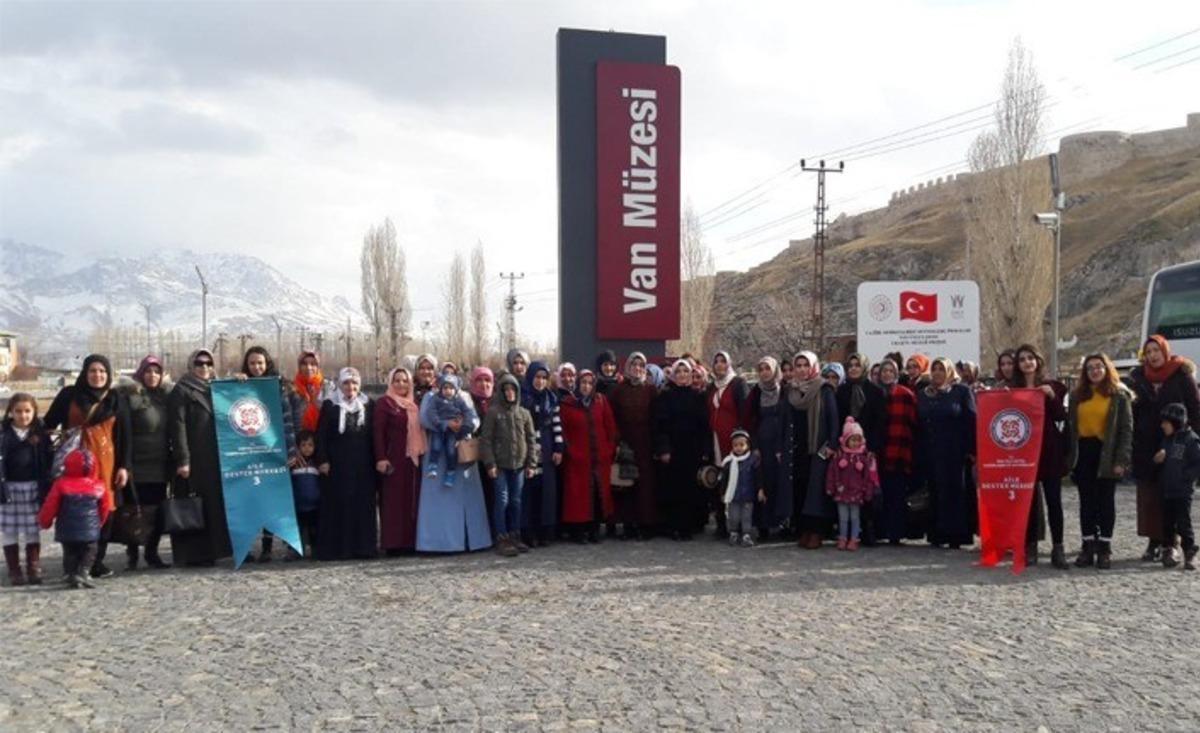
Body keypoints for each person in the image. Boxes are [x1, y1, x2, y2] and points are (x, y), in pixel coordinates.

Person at [44, 353, 131, 578]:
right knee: (72, 511)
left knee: (105, 511)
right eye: (92, 370)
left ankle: (95, 561)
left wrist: (124, 466)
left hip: (106, 465)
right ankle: (73, 563)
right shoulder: (69, 395)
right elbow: (48, 423)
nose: (97, 375)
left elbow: (125, 436)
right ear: (85, 373)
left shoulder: (116, 398)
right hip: (74, 465)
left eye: (102, 371)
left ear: (108, 374)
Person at [1130, 335, 1200, 562]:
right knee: (1150, 497)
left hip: (1176, 444)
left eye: (1156, 350)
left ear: (1165, 351)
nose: (1152, 355)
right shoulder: (1138, 377)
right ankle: (1154, 541)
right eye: (1148, 352)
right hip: (1146, 445)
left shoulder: (1181, 375)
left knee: (1173, 496)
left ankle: (1173, 543)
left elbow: (1195, 409)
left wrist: (1192, 441)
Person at [416, 365, 491, 553]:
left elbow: (474, 419)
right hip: (438, 451)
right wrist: (445, 424)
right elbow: (424, 418)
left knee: (467, 500)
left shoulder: (464, 396)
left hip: (460, 447)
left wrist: (463, 426)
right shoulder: (431, 396)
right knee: (439, 500)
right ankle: (438, 542)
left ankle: (470, 539)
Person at [1067, 354, 1132, 570]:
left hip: (1107, 452)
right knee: (1086, 502)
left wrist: (1121, 460)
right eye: (1090, 368)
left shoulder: (1119, 395)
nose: (1095, 371)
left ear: (1107, 369)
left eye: (1099, 367)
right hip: (1084, 452)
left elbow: (1126, 430)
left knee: (1105, 501)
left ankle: (1104, 547)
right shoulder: (1077, 395)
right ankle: (1087, 545)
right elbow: (1071, 428)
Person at [167, 349, 232, 566]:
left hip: (216, 457)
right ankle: (196, 554)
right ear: (191, 366)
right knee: (196, 505)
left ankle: (219, 550)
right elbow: (178, 427)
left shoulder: (217, 388)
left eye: (208, 363)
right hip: (195, 458)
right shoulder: (182, 390)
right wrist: (183, 460)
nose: (204, 367)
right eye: (199, 363)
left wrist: (240, 381)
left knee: (215, 506)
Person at [1012, 344, 1069, 569]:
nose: (1027, 362)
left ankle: (1058, 547)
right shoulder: (1013, 389)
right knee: (1028, 503)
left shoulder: (1053, 386)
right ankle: (1030, 546)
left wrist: (1052, 397)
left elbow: (1061, 416)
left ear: (1037, 361)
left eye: (1030, 358)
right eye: (1022, 359)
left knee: (1054, 501)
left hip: (1049, 450)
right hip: (1024, 454)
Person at [240, 346, 298, 563]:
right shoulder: (241, 385)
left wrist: (291, 450)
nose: (256, 367)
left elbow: (287, 420)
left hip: (274, 451)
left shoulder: (279, 386)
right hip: (250, 453)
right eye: (252, 363)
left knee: (273, 502)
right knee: (252, 501)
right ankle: (246, 546)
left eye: (260, 363)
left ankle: (268, 547)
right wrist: (236, 383)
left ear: (267, 364)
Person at [315, 368, 377, 561]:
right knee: (338, 504)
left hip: (363, 464)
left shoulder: (368, 404)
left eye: (354, 383)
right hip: (337, 464)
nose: (351, 387)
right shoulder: (330, 405)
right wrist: (322, 460)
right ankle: (338, 548)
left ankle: (363, 547)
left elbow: (374, 435)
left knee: (362, 505)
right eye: (346, 383)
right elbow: (321, 435)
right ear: (340, 385)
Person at [916, 357, 975, 549]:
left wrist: (972, 450)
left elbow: (971, 420)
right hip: (931, 451)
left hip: (955, 453)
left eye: (941, 369)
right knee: (935, 491)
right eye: (934, 369)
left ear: (949, 371)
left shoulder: (961, 392)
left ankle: (956, 535)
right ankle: (937, 534)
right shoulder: (924, 394)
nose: (937, 373)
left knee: (955, 492)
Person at [118, 356, 171, 570]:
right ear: (141, 374)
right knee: (134, 511)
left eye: (157, 372)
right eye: (148, 371)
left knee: (157, 512)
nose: (152, 376)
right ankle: (132, 554)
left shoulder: (165, 397)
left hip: (159, 464)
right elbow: (124, 432)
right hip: (136, 464)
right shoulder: (130, 397)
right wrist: (125, 463)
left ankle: (152, 552)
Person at [559, 369, 619, 543]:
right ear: (578, 384)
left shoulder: (600, 402)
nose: (586, 387)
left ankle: (594, 530)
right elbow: (563, 432)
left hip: (600, 459)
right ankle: (579, 531)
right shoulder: (567, 404)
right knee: (578, 496)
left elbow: (610, 427)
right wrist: (570, 451)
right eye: (583, 383)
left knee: (598, 495)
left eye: (589, 383)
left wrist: (609, 449)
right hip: (577, 460)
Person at [480, 373, 536, 557]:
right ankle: (502, 537)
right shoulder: (493, 412)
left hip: (519, 465)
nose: (510, 393)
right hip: (500, 466)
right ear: (501, 392)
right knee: (502, 501)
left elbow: (531, 440)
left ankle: (515, 534)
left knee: (516, 501)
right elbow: (486, 440)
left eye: (513, 389)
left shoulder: (524, 413)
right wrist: (490, 463)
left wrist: (531, 464)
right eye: (506, 390)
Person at [788, 351, 840, 549]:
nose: (802, 369)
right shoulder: (792, 391)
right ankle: (804, 530)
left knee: (816, 492)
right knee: (801, 489)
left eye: (805, 365)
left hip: (819, 447)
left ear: (813, 367)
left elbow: (833, 419)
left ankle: (817, 532)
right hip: (798, 447)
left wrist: (832, 445)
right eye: (798, 365)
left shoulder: (824, 389)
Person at [37, 449, 110, 589]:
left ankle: (70, 573)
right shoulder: (98, 485)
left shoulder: (61, 484)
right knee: (90, 551)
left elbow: (50, 505)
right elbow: (104, 508)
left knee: (70, 552)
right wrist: (99, 523)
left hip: (67, 529)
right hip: (90, 528)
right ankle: (84, 572)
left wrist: (44, 521)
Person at [655, 360, 711, 540]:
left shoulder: (698, 396)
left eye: (685, 371)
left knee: (690, 489)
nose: (682, 375)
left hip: (692, 449)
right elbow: (660, 425)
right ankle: (673, 526)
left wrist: (705, 449)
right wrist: (664, 448)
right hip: (673, 449)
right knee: (673, 489)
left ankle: (688, 527)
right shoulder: (665, 396)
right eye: (678, 372)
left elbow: (704, 426)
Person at [1, 393, 53, 586]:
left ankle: (33, 567)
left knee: (32, 529)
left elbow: (49, 459)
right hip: (8, 489)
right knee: (9, 531)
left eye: (27, 411)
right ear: (11, 412)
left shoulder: (40, 434)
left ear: (34, 412)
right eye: (18, 411)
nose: (23, 415)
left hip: (33, 487)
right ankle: (14, 570)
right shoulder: (3, 433)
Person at [373, 367, 426, 556]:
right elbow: (378, 432)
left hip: (412, 460)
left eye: (405, 381)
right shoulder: (385, 403)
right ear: (390, 382)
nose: (401, 384)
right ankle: (393, 543)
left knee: (411, 500)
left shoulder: (415, 404)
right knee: (392, 502)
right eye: (397, 380)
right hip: (393, 459)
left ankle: (410, 542)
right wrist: (381, 457)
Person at [608, 352, 659, 540]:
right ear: (628, 367)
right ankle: (628, 524)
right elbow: (612, 417)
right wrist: (617, 441)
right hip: (626, 444)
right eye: (634, 364)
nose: (637, 368)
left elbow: (656, 418)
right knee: (626, 484)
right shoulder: (618, 391)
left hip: (646, 444)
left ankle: (645, 525)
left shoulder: (651, 390)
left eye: (641, 365)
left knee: (645, 486)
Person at [836, 352, 885, 543]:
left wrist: (873, 447)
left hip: (867, 447)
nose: (854, 369)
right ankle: (847, 531)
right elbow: (837, 419)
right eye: (850, 366)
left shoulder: (875, 391)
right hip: (846, 448)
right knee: (848, 487)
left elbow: (880, 422)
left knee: (867, 487)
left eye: (857, 365)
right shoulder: (842, 391)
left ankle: (869, 528)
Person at [742, 357, 792, 541]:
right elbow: (749, 419)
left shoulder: (784, 390)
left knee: (779, 481)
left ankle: (780, 523)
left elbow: (788, 419)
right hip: (761, 443)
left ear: (775, 370)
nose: (764, 372)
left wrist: (782, 446)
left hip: (779, 444)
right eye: (761, 369)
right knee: (762, 481)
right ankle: (762, 525)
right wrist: (754, 445)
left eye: (767, 368)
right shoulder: (756, 392)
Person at [521, 361, 563, 547]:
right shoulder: (523, 398)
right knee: (530, 491)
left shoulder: (551, 399)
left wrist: (559, 448)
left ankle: (545, 531)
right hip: (528, 448)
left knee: (546, 492)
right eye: (537, 377)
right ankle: (529, 532)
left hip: (547, 448)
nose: (540, 381)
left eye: (544, 378)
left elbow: (557, 425)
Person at [877, 358, 918, 545]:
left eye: (890, 371)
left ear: (896, 373)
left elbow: (914, 423)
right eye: (884, 371)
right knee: (880, 493)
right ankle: (881, 531)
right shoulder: (875, 393)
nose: (887, 374)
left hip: (899, 450)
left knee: (897, 493)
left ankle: (896, 533)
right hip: (879, 452)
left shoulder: (906, 394)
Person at [1155, 403, 1200, 570]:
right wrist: (1158, 460)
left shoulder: (1191, 440)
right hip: (1167, 489)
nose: (1162, 426)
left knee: (1183, 523)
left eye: (1166, 422)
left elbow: (1197, 463)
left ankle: (1189, 551)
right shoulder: (1166, 440)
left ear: (1175, 422)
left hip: (1182, 491)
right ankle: (1169, 549)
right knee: (1167, 523)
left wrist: (1185, 477)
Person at [825, 417, 879, 551]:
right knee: (843, 518)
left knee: (855, 517)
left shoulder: (863, 458)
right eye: (852, 440)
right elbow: (832, 473)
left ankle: (854, 538)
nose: (855, 443)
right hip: (841, 491)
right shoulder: (839, 456)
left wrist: (867, 491)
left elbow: (868, 477)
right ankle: (843, 538)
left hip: (857, 492)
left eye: (857, 440)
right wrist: (830, 487)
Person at [423, 374, 474, 489]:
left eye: (451, 388)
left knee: (451, 451)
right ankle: (432, 466)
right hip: (439, 427)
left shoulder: (459, 400)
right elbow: (431, 412)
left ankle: (450, 472)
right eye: (445, 388)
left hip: (453, 431)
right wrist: (440, 423)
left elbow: (468, 412)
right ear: (441, 389)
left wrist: (466, 425)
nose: (448, 391)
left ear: (455, 389)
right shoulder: (436, 398)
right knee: (435, 446)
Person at [718, 429, 761, 547]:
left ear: (748, 445)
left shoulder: (752, 460)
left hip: (748, 495)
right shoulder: (728, 461)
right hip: (733, 496)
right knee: (734, 516)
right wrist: (722, 493)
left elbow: (758, 477)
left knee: (746, 516)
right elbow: (724, 479)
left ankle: (746, 535)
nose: (738, 448)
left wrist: (760, 489)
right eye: (736, 445)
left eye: (742, 445)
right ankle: (733, 533)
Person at [468, 366, 496, 528]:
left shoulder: (497, 401)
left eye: (487, 380)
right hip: (474, 457)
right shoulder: (467, 401)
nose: (484, 384)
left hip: (494, 457)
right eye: (479, 380)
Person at [290, 430, 321, 559]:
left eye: (310, 445)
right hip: (298, 505)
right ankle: (297, 551)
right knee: (298, 529)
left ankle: (315, 550)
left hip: (315, 505)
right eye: (303, 445)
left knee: (314, 529)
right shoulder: (294, 464)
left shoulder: (317, 463)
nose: (307, 448)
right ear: (298, 447)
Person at [290, 350, 334, 436]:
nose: (308, 368)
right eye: (304, 364)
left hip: (323, 436)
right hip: (299, 438)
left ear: (318, 367)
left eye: (313, 364)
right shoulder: (291, 388)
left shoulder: (328, 387)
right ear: (299, 366)